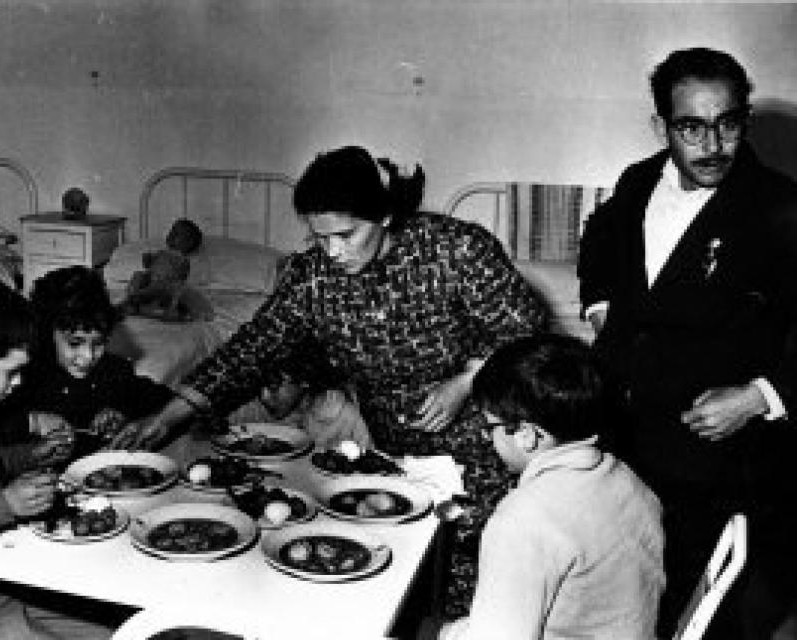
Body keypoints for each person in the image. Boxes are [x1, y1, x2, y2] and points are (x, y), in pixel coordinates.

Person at [114, 144, 550, 616]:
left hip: (480, 442)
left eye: (346, 234)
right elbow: (252, 349)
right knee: (393, 580)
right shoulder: (313, 276)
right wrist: (169, 415)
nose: (334, 252)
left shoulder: (456, 249)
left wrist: (466, 381)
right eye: (321, 238)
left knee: (475, 585)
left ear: (383, 215)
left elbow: (528, 331)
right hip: (393, 445)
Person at [577, 47, 797, 639]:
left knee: (709, 613)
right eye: (691, 127)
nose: (714, 144)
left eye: (728, 123)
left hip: (721, 459)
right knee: (628, 592)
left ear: (745, 120)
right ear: (661, 126)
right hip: (627, 437)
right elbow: (599, 241)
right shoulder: (636, 179)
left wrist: (761, 396)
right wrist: (601, 307)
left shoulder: (783, 207)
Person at [434, 334, 664, 640]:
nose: (488, 439)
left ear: (528, 435)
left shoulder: (522, 521)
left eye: (491, 427)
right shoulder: (627, 479)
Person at [0, 273, 113, 639]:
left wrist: (31, 455)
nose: (19, 383)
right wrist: (5, 504)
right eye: (12, 372)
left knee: (115, 627)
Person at [0, 265, 177, 462]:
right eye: (74, 343)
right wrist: (32, 422)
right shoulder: (22, 377)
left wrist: (123, 414)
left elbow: (171, 401)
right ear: (47, 334)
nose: (88, 356)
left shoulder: (114, 370)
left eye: (98, 343)